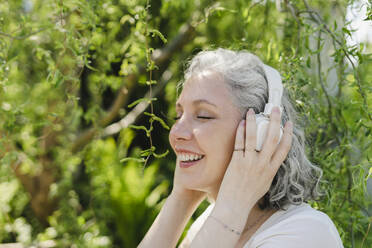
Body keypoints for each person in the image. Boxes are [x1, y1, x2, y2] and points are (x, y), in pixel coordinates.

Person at [138, 48, 343, 248]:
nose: (176, 132)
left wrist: (232, 207)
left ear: (262, 135)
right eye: (178, 115)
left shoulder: (306, 233)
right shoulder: (209, 222)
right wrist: (181, 199)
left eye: (203, 116)